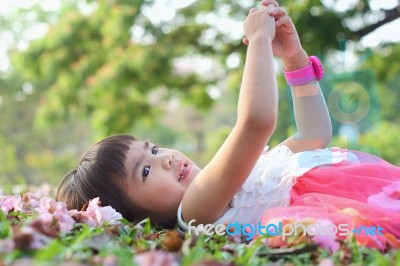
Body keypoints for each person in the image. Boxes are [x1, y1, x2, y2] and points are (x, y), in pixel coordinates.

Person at [56, 0, 400, 250]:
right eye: (144, 172)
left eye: (154, 149)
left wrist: (294, 58)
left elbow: (314, 136)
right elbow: (256, 122)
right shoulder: (194, 210)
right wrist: (260, 41)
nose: (165, 159)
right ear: (138, 219)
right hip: (353, 207)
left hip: (367, 186)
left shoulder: (253, 173)